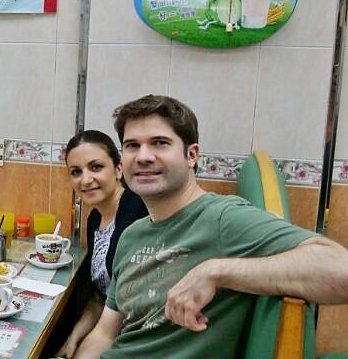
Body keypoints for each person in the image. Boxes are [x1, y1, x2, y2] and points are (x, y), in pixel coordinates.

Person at [77, 95, 348, 359]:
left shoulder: (222, 218)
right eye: (132, 145)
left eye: (159, 143)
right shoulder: (131, 235)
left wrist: (215, 272)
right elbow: (105, 333)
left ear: (192, 154)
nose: (143, 156)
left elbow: (340, 270)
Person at [55, 130, 148, 359]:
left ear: (118, 169)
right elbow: (101, 298)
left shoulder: (137, 212)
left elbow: (128, 308)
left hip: (137, 337)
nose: (85, 180)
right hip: (108, 328)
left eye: (96, 167)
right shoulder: (95, 218)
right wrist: (73, 340)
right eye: (76, 172)